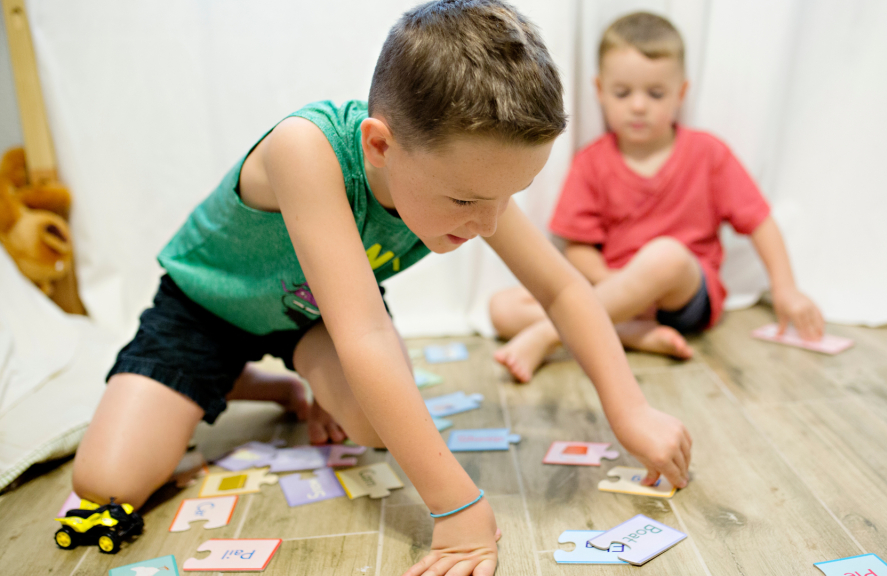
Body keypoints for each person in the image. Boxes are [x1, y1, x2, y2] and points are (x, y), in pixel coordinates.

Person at [70, 2, 693, 575]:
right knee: (105, 483)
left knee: (373, 425)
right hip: (207, 311)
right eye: (466, 200)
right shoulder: (304, 147)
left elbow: (562, 289)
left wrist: (629, 410)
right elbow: (364, 333)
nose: (489, 223)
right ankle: (242, 378)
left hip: (314, 316)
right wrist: (454, 508)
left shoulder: (474, 176)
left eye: (511, 197)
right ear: (379, 144)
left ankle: (284, 379)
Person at [490, 11, 825, 383]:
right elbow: (578, 249)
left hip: (683, 297)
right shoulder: (591, 163)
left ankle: (549, 334)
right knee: (501, 307)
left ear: (680, 93)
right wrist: (619, 286)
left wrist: (786, 289)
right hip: (612, 292)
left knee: (665, 255)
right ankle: (628, 331)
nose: (638, 105)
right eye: (622, 92)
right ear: (599, 90)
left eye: (655, 93)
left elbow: (760, 222)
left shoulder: (709, 154)